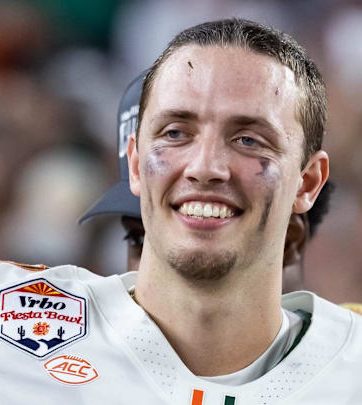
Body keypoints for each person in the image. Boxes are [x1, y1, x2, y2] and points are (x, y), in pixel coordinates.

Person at [0, 19, 362, 404]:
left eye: (248, 138)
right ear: (136, 165)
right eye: (176, 133)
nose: (206, 166)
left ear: (308, 183)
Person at [78, 71, 334, 293]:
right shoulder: (84, 337)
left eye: (246, 139)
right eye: (139, 240)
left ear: (291, 240)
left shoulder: (360, 343)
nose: (202, 169)